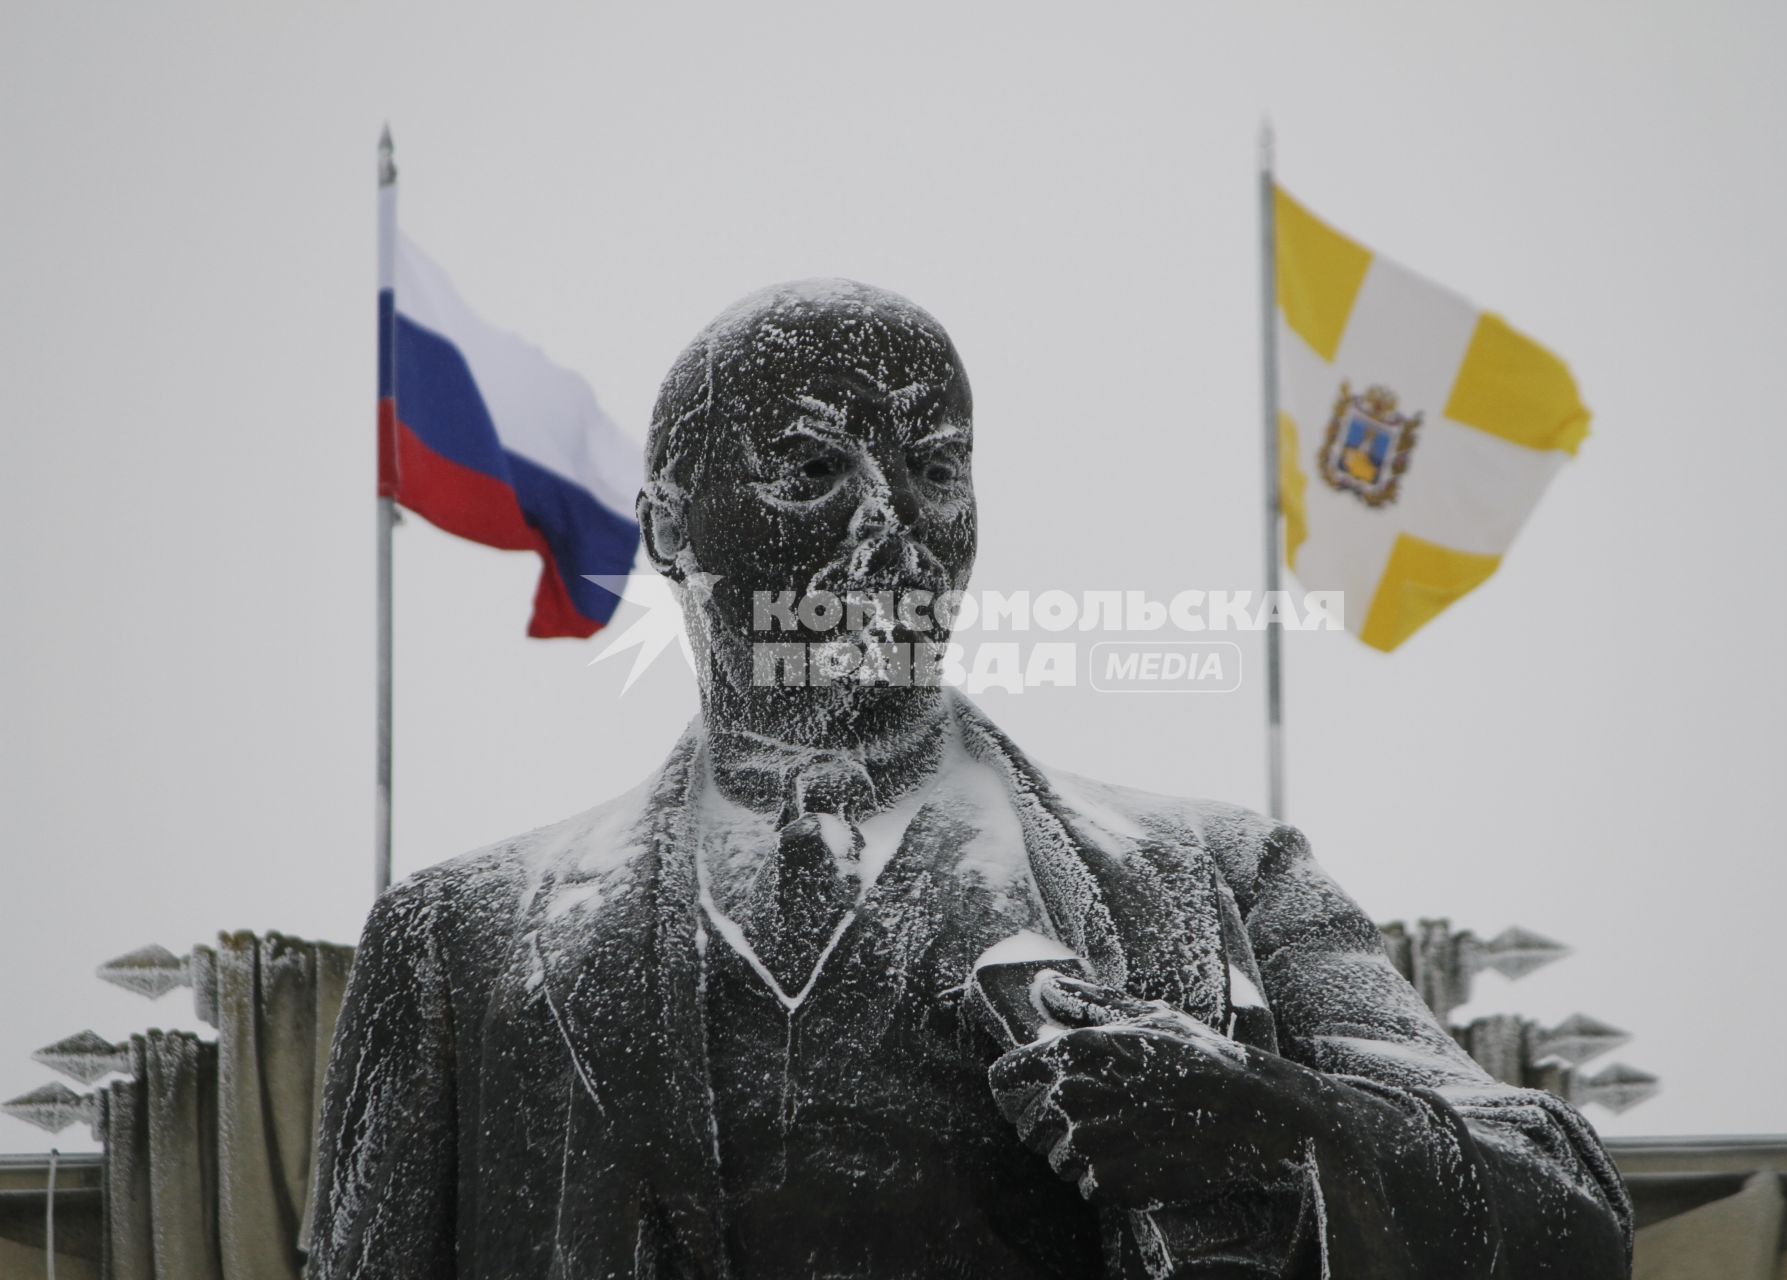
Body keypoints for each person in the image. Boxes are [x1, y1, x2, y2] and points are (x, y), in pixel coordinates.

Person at [308, 280, 1632, 1278]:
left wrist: (1275, 1124)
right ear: (667, 524)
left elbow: (1566, 1218)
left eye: (936, 467)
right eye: (811, 470)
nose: (892, 528)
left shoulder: (1221, 873)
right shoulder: (454, 947)